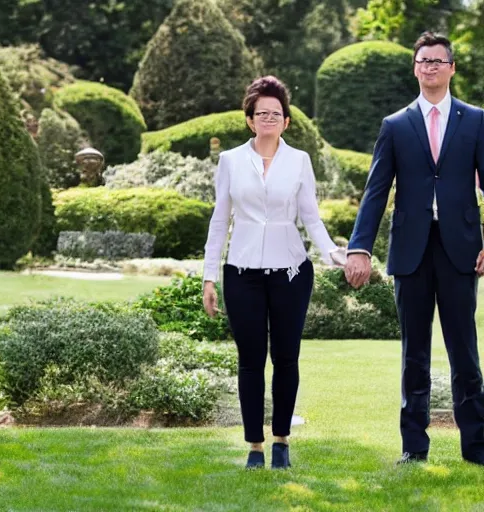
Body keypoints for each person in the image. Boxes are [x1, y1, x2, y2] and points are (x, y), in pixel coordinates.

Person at [345, 31, 484, 466]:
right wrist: (359, 248)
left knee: (465, 352)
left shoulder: (477, 120)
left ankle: (477, 446)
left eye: (438, 61)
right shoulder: (395, 125)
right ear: (415, 68)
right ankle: (414, 448)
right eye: (423, 61)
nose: (430, 67)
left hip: (461, 248)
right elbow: (375, 192)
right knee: (414, 354)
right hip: (411, 251)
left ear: (451, 68)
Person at [202, 75, 345, 469]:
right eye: (260, 112)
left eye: (275, 113)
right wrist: (209, 276)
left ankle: (281, 440)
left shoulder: (299, 160)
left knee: (286, 358)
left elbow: (310, 217)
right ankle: (254, 446)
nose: (268, 118)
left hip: (291, 273)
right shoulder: (230, 160)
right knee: (250, 361)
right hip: (242, 272)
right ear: (250, 119)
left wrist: (332, 252)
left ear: (286, 121)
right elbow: (220, 221)